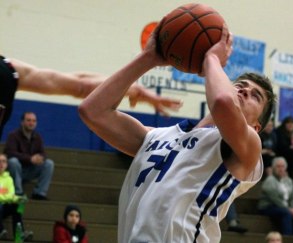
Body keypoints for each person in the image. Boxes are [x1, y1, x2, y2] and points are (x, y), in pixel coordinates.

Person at [78, 22, 276, 242]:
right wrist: (149, 58)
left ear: (256, 127)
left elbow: (222, 102)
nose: (245, 90)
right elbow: (93, 111)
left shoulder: (248, 148)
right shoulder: (156, 136)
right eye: (240, 85)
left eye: (255, 96)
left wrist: (211, 59)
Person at [0, 55, 182, 138]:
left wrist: (134, 90)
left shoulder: (8, 71)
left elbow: (80, 85)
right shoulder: (8, 70)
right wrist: (134, 90)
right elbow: (80, 85)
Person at [4, 112, 54, 200]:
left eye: (34, 121)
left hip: (30, 170)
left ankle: (39, 193)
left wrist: (40, 158)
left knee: (49, 164)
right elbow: (9, 153)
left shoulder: (37, 136)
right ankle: (18, 192)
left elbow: (43, 153)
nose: (31, 123)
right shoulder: (13, 135)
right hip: (15, 170)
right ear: (22, 122)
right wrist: (30, 159)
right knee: (13, 161)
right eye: (28, 120)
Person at [257, 157, 293, 235]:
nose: (280, 169)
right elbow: (275, 199)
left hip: (284, 207)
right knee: (286, 213)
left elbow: (292, 198)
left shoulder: (288, 181)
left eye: (282, 166)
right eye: (278, 166)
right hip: (268, 207)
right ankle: (288, 239)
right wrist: (290, 210)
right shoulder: (269, 180)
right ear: (273, 168)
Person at [0, 153, 33, 241]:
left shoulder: (9, 179)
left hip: (3, 207)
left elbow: (12, 195)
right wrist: (8, 197)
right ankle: (0, 230)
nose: (1, 164)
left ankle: (19, 234)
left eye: (4, 161)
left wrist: (19, 199)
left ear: (7, 165)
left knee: (18, 204)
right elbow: (9, 196)